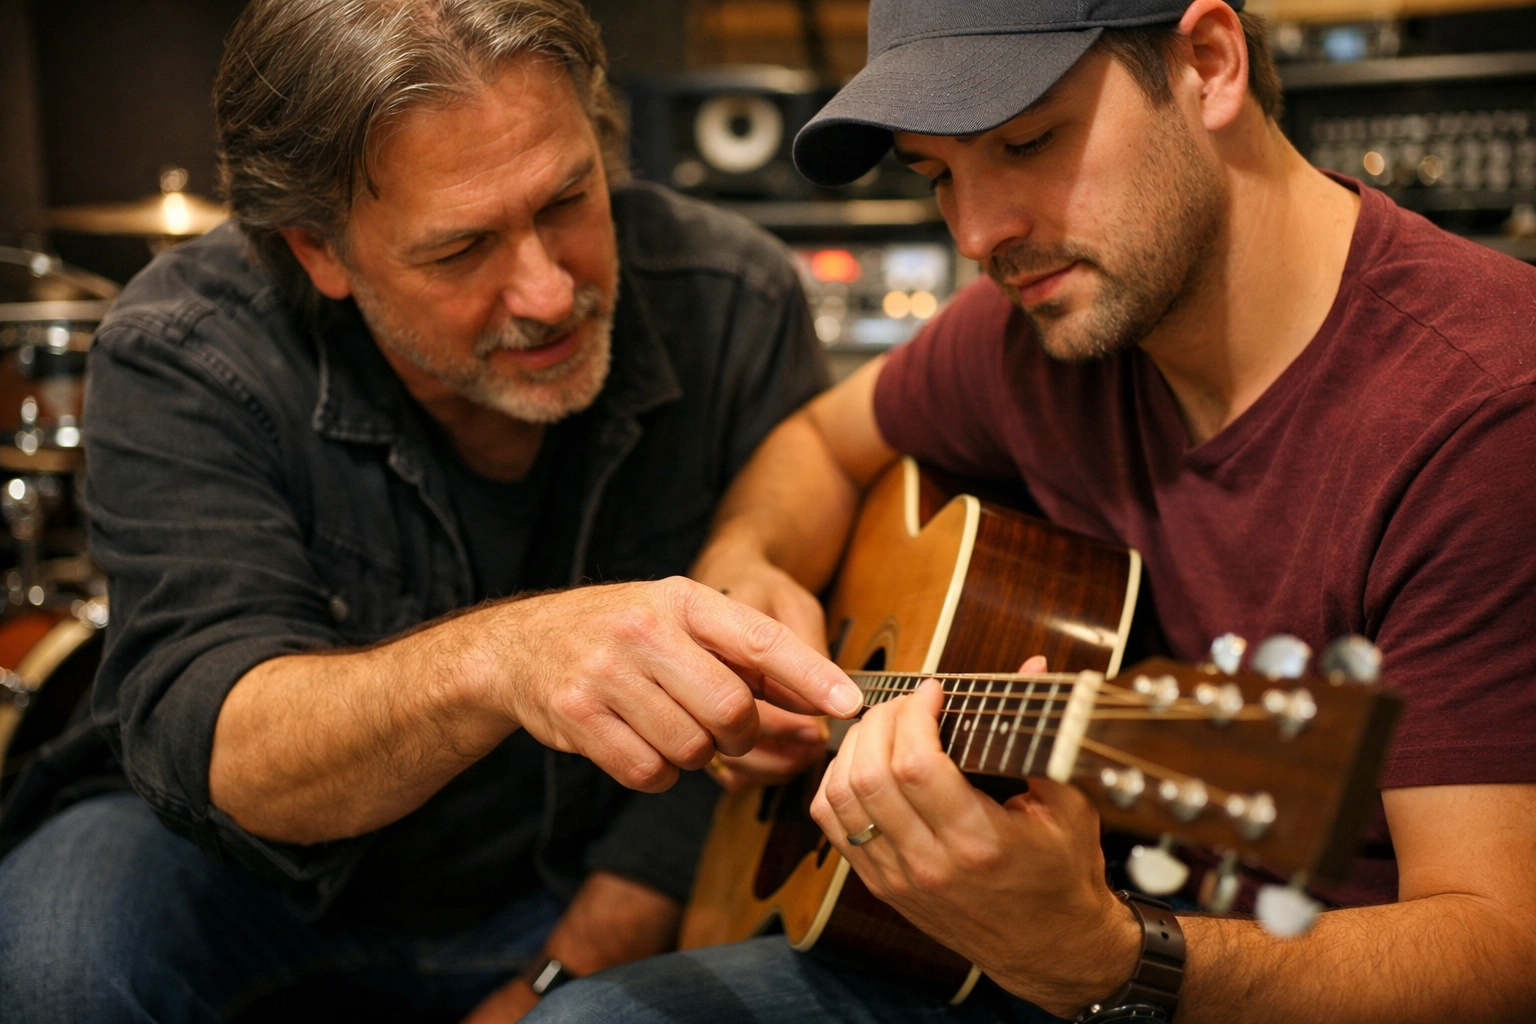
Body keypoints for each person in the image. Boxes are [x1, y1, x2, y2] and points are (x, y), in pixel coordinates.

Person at [526, 0, 1536, 1022]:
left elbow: (1502, 952)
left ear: (1210, 64)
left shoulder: (1482, 409)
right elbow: (817, 445)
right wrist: (750, 564)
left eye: (1027, 140)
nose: (976, 233)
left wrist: (1105, 959)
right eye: (937, 174)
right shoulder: (1035, 333)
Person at [0, 2, 866, 1021]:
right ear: (319, 250)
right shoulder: (185, 349)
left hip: (578, 875)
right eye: (461, 251)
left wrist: (556, 975)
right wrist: (505, 656)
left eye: (569, 200)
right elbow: (225, 741)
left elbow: (722, 777)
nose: (546, 292)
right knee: (49, 959)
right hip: (238, 877)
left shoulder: (732, 300)